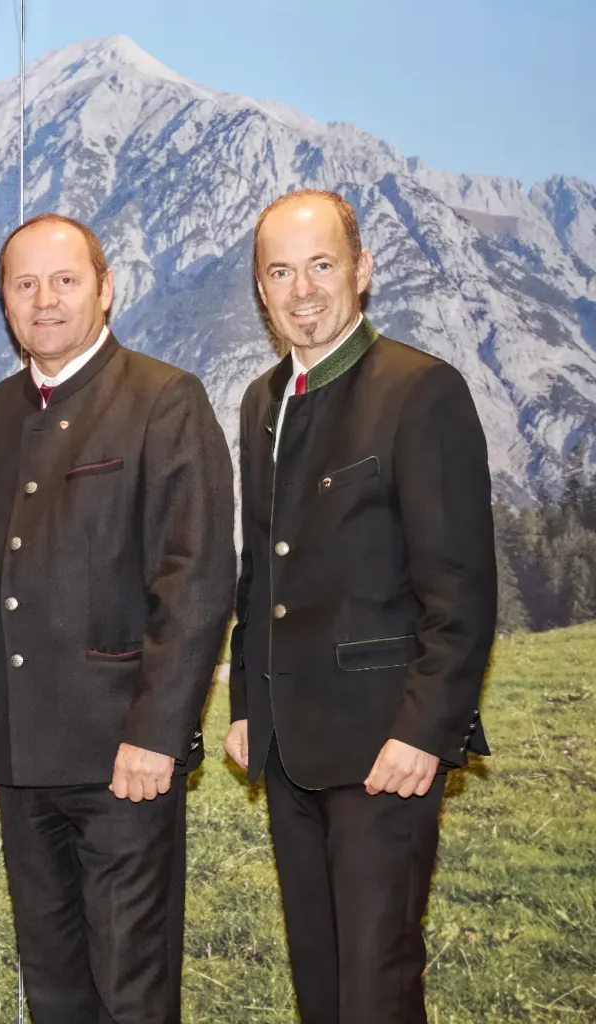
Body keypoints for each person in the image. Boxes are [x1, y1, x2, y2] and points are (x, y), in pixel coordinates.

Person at [0, 213, 235, 1024]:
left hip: (123, 755)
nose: (45, 300)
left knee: (131, 990)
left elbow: (197, 577)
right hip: (17, 751)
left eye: (65, 280)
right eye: (24, 284)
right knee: (55, 988)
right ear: (4, 302)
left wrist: (158, 735)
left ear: (105, 289)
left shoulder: (165, 398)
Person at [224, 190, 496, 1024]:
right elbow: (260, 574)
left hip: (387, 747)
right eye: (280, 271)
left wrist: (424, 732)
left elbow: (462, 591)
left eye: (320, 265)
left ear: (362, 270)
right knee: (321, 980)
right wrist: (244, 706)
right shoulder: (261, 400)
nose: (302, 290)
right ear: (261, 291)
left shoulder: (423, 391)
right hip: (288, 746)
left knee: (377, 987)